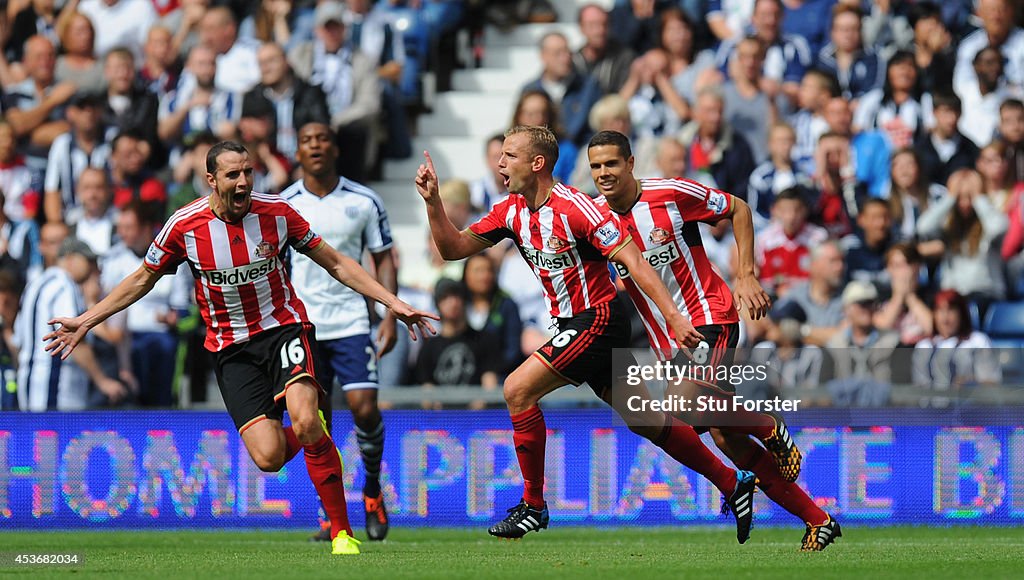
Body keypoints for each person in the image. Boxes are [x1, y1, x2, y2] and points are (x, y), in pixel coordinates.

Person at [43, 140, 438, 556]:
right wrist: (86, 320)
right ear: (211, 180)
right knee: (268, 457)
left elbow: (336, 262)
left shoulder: (277, 212)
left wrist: (391, 302)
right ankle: (317, 441)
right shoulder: (184, 225)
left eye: (248, 172)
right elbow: (142, 279)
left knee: (305, 419)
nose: (244, 181)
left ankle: (342, 532)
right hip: (231, 349)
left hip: (283, 330)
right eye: (233, 174)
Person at [415, 125, 759, 542]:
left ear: (537, 163)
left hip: (596, 320)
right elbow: (452, 249)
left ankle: (533, 505)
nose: (500, 164)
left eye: (509, 156)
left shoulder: (577, 208)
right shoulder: (509, 212)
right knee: (647, 420)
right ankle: (732, 481)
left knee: (516, 389)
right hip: (570, 326)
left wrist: (671, 315)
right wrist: (434, 203)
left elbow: (633, 259)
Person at [586, 129, 839, 551]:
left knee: (684, 406)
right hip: (669, 340)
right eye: (596, 166)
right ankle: (818, 519)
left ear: (630, 163)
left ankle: (768, 424)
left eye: (611, 163)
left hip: (710, 314)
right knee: (724, 436)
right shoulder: (595, 219)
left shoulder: (670, 194)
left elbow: (738, 209)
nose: (603, 173)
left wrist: (745, 274)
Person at [281, 122, 398, 542]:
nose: (315, 146)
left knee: (364, 407)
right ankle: (330, 513)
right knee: (315, 421)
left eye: (323, 139)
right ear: (297, 151)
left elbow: (384, 258)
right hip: (303, 324)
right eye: (307, 140)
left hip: (351, 319)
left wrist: (388, 313)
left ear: (335, 148)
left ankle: (370, 489)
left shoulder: (364, 200)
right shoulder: (283, 203)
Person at [16, 237, 126, 411]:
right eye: (89, 261)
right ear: (70, 258)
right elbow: (73, 337)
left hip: (31, 376)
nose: (94, 267)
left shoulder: (36, 283)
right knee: (53, 436)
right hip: (55, 383)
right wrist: (102, 381)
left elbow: (18, 337)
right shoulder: (64, 285)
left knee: (35, 436)